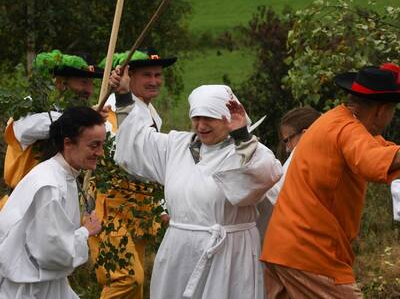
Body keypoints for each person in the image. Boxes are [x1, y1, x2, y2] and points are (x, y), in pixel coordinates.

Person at [114, 84, 283, 299]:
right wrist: (122, 96)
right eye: (196, 117)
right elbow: (135, 142)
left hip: (229, 255)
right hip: (179, 252)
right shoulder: (177, 145)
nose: (201, 125)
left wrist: (241, 134)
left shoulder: (248, 151)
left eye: (209, 118)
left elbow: (265, 174)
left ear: (227, 118)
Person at [261, 64, 400, 298]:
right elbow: (373, 161)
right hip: (311, 253)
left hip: (284, 249)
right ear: (381, 110)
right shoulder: (348, 129)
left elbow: (384, 151)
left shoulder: (334, 121)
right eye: (393, 111)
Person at [89, 48, 176, 299]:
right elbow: (128, 160)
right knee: (126, 279)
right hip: (111, 208)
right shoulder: (111, 111)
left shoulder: (150, 113)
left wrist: (160, 205)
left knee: (135, 286)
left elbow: (151, 166)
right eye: (146, 75)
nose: (154, 81)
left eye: (158, 75)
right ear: (128, 77)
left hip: (139, 210)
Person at [0, 106, 105, 299]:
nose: (100, 153)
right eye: (94, 145)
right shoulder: (49, 185)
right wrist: (85, 232)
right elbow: (52, 253)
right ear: (68, 143)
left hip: (46, 284)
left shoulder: (62, 175)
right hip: (29, 289)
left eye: (102, 145)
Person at [2, 49, 104, 199]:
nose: (89, 90)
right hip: (24, 203)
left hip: (62, 199)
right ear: (60, 83)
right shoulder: (29, 108)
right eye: (83, 82)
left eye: (91, 83)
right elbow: (32, 129)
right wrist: (86, 119)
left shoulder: (73, 114)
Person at [257, 106, 321, 238]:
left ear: (305, 134)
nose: (287, 149)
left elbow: (279, 197)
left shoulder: (302, 158)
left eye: (287, 140)